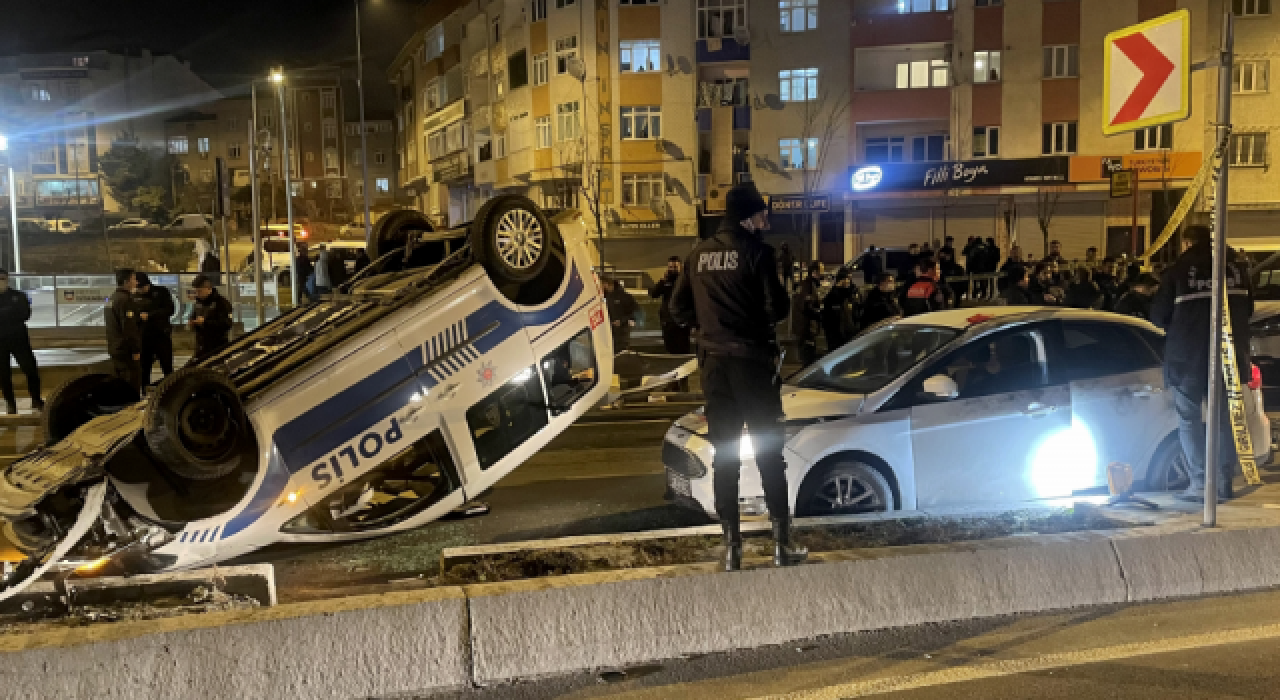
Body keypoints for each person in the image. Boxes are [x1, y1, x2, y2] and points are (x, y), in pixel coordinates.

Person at [669, 181, 806, 571]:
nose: (767, 219)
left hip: (714, 367)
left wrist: (709, 327)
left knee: (724, 456)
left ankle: (732, 548)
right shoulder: (758, 254)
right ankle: (782, 543)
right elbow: (777, 309)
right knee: (768, 454)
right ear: (749, 215)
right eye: (762, 212)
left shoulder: (698, 255)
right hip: (753, 366)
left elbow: (677, 309)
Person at [1151, 225, 1253, 503]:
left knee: (1189, 419)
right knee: (1223, 420)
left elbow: (1158, 316)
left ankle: (1199, 482)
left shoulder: (1178, 271)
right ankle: (1223, 481)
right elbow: (1248, 310)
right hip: (1228, 356)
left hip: (1188, 359)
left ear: (1187, 243)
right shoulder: (1237, 269)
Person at [0, 272, 42, 414]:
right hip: (0, 342)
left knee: (30, 369)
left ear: (7, 279)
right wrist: (10, 313)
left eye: (3, 278)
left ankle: (36, 399)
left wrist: (5, 315)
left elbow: (25, 314)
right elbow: (17, 314)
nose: (1, 281)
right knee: (4, 375)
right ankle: (10, 404)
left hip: (19, 340)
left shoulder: (18, 296)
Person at [133, 272, 175, 384]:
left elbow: (170, 309)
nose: (140, 290)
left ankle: (170, 389)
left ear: (148, 284)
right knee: (144, 369)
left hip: (161, 335)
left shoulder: (161, 292)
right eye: (138, 288)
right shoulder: (133, 296)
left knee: (167, 367)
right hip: (143, 337)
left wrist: (150, 316)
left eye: (142, 287)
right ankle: (145, 390)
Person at [105, 268, 143, 391]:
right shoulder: (126, 300)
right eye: (134, 279)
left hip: (115, 347)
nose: (136, 282)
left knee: (119, 384)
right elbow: (129, 328)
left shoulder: (111, 298)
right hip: (126, 350)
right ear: (127, 281)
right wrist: (135, 349)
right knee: (131, 384)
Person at [650, 256, 692, 356]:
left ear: (680, 267)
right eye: (670, 267)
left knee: (682, 348)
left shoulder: (686, 281)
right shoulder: (666, 282)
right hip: (668, 320)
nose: (672, 270)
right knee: (669, 347)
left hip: (682, 321)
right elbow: (654, 294)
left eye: (675, 267)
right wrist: (662, 281)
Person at [188, 273, 234, 361]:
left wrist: (205, 323)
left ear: (208, 289)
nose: (197, 294)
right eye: (196, 291)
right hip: (201, 346)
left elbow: (226, 324)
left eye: (199, 291)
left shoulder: (222, 303)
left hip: (217, 346)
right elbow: (194, 316)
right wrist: (193, 322)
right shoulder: (198, 303)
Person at [791, 262, 824, 367]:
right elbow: (806, 307)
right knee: (808, 361)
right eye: (821, 271)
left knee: (809, 359)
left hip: (804, 329)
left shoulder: (808, 284)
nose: (822, 274)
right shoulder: (808, 286)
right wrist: (819, 314)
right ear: (814, 272)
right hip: (805, 330)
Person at [821, 268, 859, 353]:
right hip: (836, 334)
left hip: (849, 331)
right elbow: (827, 317)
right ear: (842, 279)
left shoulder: (850, 293)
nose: (849, 281)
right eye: (848, 278)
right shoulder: (833, 296)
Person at [602, 276, 638, 352]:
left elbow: (634, 311)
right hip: (609, 329)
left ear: (606, 284)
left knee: (621, 349)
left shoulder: (624, 296)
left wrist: (622, 321)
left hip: (621, 330)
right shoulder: (603, 296)